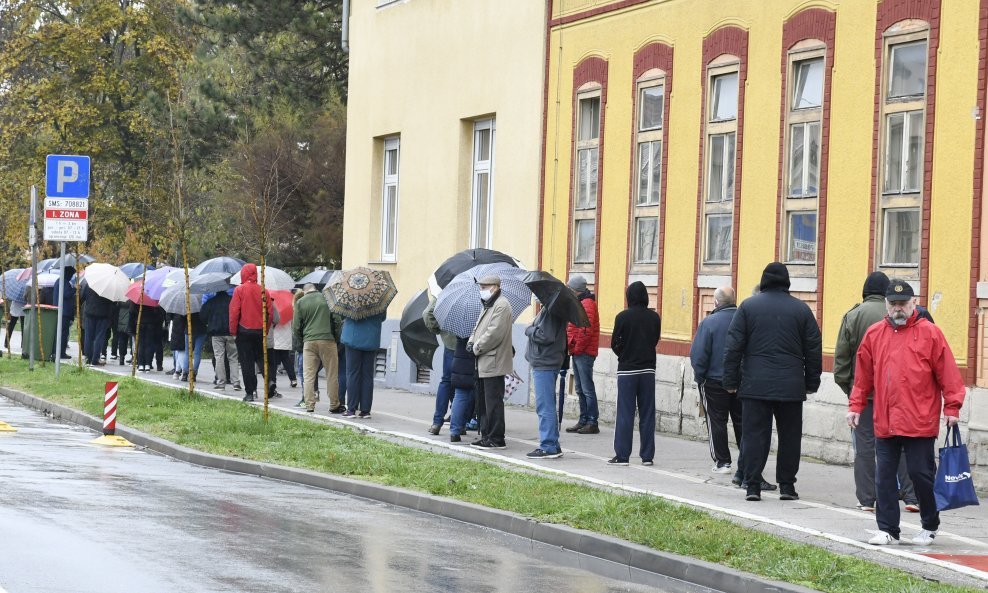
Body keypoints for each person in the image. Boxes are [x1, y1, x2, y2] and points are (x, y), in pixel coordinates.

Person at [848, 279, 966, 546]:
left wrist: (952, 406)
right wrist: (855, 406)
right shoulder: (874, 334)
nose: (898, 309)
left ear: (914, 303)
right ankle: (888, 529)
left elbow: (948, 373)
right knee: (885, 476)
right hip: (886, 420)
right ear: (886, 305)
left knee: (920, 475)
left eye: (903, 303)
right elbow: (862, 376)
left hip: (919, 419)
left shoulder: (931, 333)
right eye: (893, 304)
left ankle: (930, 523)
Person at [723, 262, 822, 502]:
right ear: (787, 282)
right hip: (791, 385)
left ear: (764, 280)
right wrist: (811, 382)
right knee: (790, 436)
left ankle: (753, 486)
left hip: (755, 385)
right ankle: (787, 486)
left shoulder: (748, 307)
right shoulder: (801, 310)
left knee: (755, 435)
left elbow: (733, 347)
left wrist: (730, 380)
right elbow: (813, 350)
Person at [834, 272, 920, 513]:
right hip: (895, 394)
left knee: (864, 448)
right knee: (902, 444)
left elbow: (841, 362)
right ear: (886, 296)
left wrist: (851, 393)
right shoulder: (900, 314)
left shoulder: (853, 315)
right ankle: (911, 496)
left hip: (864, 397)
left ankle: (866, 499)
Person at [690, 285, 743, 485]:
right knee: (742, 421)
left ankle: (722, 462)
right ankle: (745, 461)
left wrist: (700, 377)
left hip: (714, 380)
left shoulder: (709, 322)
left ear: (716, 302)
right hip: (741, 381)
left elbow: (699, 354)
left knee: (716, 421)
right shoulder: (744, 320)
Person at [609, 281, 661, 466]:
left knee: (625, 413)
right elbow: (655, 339)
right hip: (648, 370)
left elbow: (614, 343)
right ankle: (647, 456)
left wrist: (624, 354)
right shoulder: (655, 317)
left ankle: (622, 455)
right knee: (647, 413)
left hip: (627, 371)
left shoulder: (622, 317)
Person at [467, 274, 514, 450]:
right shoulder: (489, 304)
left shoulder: (501, 305)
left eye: (484, 287)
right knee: (483, 401)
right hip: (483, 360)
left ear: (494, 287)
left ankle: (496, 437)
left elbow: (494, 333)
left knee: (493, 401)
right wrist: (471, 341)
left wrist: (476, 347)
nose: (481, 290)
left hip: (493, 360)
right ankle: (486, 434)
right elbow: (478, 327)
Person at [524, 295, 568, 459]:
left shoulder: (550, 311)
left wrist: (529, 329)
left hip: (545, 362)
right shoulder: (551, 310)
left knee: (545, 406)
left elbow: (545, 336)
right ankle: (553, 444)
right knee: (547, 404)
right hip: (548, 361)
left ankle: (548, 445)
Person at [293, 283, 345, 414]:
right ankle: (334, 405)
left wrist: (303, 340)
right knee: (331, 374)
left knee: (308, 375)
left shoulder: (300, 302)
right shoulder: (327, 299)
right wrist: (336, 338)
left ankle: (309, 404)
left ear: (305, 291)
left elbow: (296, 327)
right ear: (315, 289)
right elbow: (337, 320)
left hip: (309, 342)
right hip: (328, 340)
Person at [229, 263, 275, 402]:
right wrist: (265, 330)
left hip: (244, 331)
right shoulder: (264, 291)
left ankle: (250, 393)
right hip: (259, 330)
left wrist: (233, 330)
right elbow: (270, 313)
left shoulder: (239, 290)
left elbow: (234, 312)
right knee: (261, 358)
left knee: (247, 363)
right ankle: (270, 381)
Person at [565, 274, 601, 435]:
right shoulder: (581, 302)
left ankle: (592, 421)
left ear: (576, 290)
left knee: (586, 388)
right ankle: (583, 419)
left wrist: (576, 348)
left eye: (570, 289)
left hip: (584, 352)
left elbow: (585, 331)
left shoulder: (587, 304)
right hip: (578, 351)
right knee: (580, 388)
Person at [341, 311, 385, 419]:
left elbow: (342, 314)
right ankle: (365, 411)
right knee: (368, 375)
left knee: (352, 373)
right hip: (371, 338)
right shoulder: (378, 298)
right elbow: (382, 317)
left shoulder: (351, 298)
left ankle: (351, 409)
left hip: (353, 337)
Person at [423, 295, 457, 435]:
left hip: (450, 343)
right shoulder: (476, 292)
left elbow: (427, 313)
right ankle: (459, 423)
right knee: (466, 385)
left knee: (446, 381)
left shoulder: (447, 290)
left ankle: (437, 422)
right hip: (470, 345)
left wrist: (438, 329)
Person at [201, 289, 241, 391]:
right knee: (233, 357)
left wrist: (209, 322)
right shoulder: (232, 300)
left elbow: (203, 316)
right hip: (231, 332)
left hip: (216, 333)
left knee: (219, 356)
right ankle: (235, 382)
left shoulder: (211, 302)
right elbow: (239, 314)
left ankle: (221, 382)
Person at [448, 335, 476, 443]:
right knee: (476, 396)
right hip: (474, 361)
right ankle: (484, 432)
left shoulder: (462, 323)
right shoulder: (479, 322)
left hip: (460, 360)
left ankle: (455, 432)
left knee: (460, 395)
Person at [80, 282, 114, 366]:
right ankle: (95, 359)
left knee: (88, 336)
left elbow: (82, 297)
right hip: (103, 314)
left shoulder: (90, 284)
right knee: (99, 336)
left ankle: (88, 358)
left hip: (90, 312)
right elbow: (112, 302)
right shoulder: (109, 286)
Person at [51, 266, 76, 360]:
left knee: (59, 332)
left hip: (60, 310)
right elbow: (66, 294)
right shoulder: (64, 282)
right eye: (71, 274)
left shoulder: (60, 281)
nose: (71, 276)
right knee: (63, 333)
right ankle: (60, 352)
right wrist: (75, 289)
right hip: (64, 312)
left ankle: (56, 351)